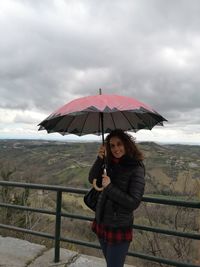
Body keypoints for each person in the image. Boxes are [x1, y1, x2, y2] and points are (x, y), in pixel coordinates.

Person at [88, 129, 145, 267]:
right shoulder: (109, 163)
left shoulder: (136, 168)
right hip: (102, 222)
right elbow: (92, 179)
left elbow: (134, 202)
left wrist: (109, 187)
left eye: (119, 144)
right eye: (112, 145)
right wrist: (100, 159)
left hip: (119, 226)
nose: (116, 149)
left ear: (126, 144)